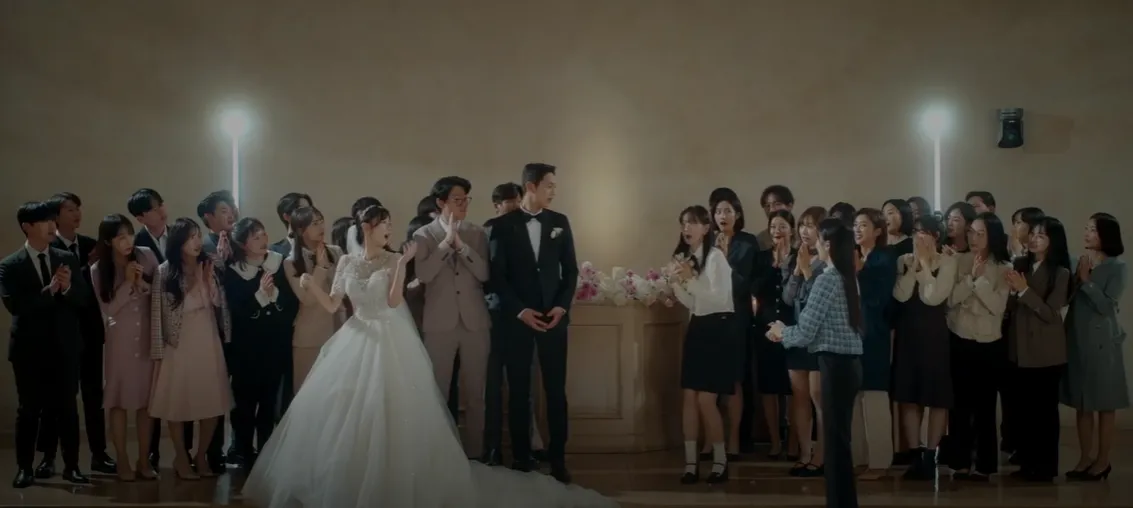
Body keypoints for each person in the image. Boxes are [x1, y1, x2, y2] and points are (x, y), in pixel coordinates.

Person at [243, 204, 613, 507]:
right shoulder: (347, 263)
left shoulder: (393, 259)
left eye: (390, 225)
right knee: (345, 412)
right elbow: (332, 304)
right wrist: (310, 284)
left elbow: (393, 302)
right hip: (355, 338)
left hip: (386, 337)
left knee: (392, 411)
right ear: (368, 227)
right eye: (384, 225)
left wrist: (401, 265)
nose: (389, 230)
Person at [488, 163, 579, 482]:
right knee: (519, 390)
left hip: (554, 319)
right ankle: (522, 457)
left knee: (556, 391)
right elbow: (496, 276)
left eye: (554, 185)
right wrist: (520, 311)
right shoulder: (502, 226)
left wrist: (561, 307)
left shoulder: (560, 222)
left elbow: (571, 271)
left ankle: (559, 459)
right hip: (518, 320)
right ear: (530, 187)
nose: (554, 191)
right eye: (548, 185)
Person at [767, 218, 863, 508]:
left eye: (819, 240)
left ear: (828, 245)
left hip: (835, 365)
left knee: (835, 446)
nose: (814, 245)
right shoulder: (847, 277)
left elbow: (807, 330)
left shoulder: (827, 279)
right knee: (840, 443)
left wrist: (781, 332)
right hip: (849, 365)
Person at [0, 202, 90, 488]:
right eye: (44, 222)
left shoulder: (67, 258)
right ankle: (24, 468)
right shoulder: (9, 265)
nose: (52, 226)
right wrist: (49, 291)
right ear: (27, 226)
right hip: (28, 351)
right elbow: (15, 306)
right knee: (29, 410)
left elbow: (84, 299)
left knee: (68, 409)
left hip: (65, 346)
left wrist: (68, 288)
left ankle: (72, 467)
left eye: (53, 221)